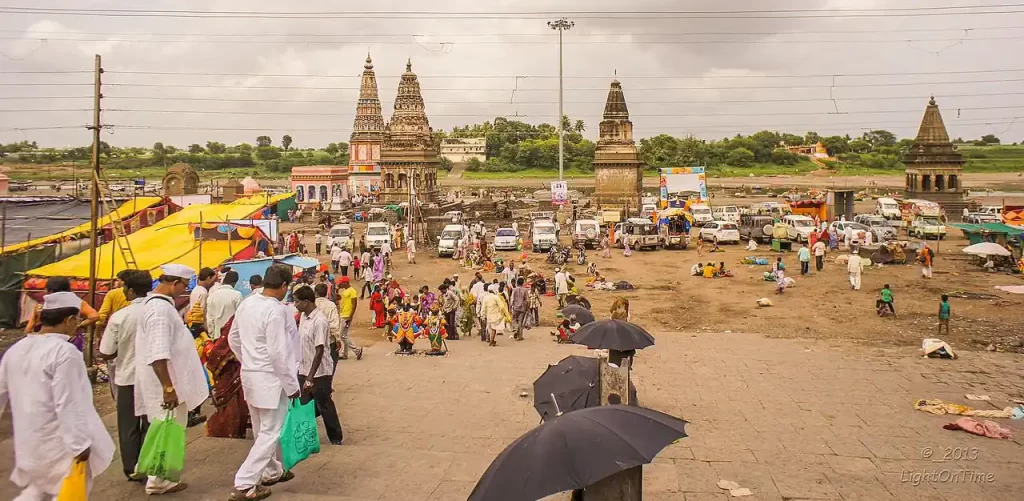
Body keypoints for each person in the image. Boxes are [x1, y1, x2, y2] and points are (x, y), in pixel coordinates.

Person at [0, 291, 116, 500]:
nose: (78, 325)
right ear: (69, 320)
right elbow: (69, 402)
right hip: (59, 446)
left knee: (36, 491)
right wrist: (79, 444)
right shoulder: (65, 352)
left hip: (29, 444)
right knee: (64, 492)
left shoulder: (16, 349)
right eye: (77, 320)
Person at [228, 264, 301, 500]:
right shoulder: (276, 310)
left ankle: (270, 470)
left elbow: (233, 338)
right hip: (271, 378)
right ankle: (245, 483)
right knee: (271, 432)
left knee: (262, 428)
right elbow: (279, 353)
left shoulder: (247, 302)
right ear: (283, 287)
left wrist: (248, 359)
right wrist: (292, 386)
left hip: (251, 374)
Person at [135, 264, 209, 495]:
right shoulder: (159, 311)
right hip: (167, 384)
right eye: (184, 286)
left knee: (163, 428)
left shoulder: (159, 307)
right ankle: (159, 479)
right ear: (174, 283)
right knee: (169, 430)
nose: (184, 291)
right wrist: (168, 387)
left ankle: (150, 469)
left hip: (168, 381)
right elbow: (159, 353)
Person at [97, 270, 152, 481]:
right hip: (153, 377)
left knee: (128, 425)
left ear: (129, 290)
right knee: (150, 422)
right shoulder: (159, 312)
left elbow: (107, 351)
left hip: (127, 377)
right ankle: (149, 464)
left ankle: (132, 467)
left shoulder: (120, 317)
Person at [292, 286, 344, 445]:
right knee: (304, 404)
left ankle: (335, 437)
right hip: (303, 366)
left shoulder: (319, 320)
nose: (295, 305)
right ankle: (306, 437)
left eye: (297, 301)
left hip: (319, 371)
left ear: (306, 301)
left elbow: (320, 349)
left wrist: (310, 377)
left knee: (324, 404)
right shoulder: (303, 317)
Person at [206, 271, 242, 340]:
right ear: (235, 282)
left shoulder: (212, 296)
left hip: (217, 337)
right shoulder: (237, 295)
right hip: (231, 338)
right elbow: (240, 318)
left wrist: (212, 336)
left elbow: (210, 319)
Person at [337, 276, 364, 360]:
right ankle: (344, 354)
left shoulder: (352, 291)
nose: (339, 284)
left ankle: (356, 350)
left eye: (341, 283)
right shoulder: (345, 291)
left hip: (347, 315)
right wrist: (336, 291)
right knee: (345, 334)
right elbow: (339, 298)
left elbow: (354, 304)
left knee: (342, 335)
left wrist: (350, 316)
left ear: (345, 283)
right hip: (343, 313)